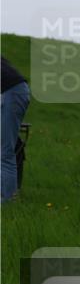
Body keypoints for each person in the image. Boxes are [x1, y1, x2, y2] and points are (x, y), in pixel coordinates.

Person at [2, 57, 31, 203]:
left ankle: (7, 201)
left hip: (11, 94)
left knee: (5, 151)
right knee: (8, 146)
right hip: (16, 92)